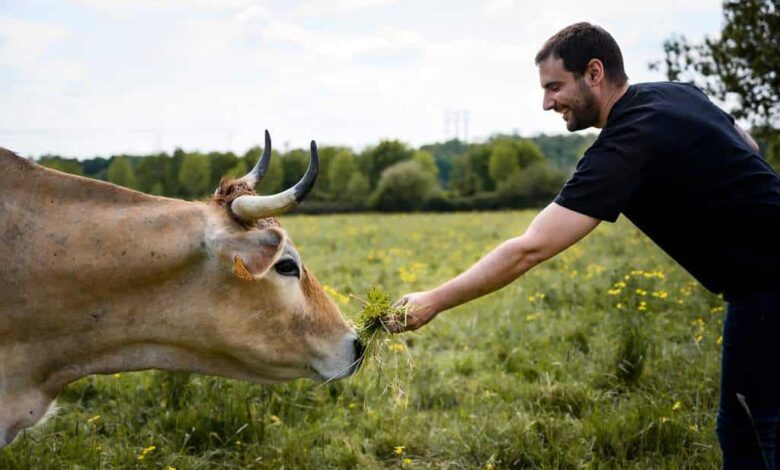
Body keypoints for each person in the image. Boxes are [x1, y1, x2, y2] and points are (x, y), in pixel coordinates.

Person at [390, 22, 780, 468]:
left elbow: (528, 249)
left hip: (767, 283)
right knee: (753, 424)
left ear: (594, 73)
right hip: (758, 282)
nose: (546, 103)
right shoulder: (676, 94)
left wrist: (433, 301)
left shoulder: (625, 145)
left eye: (555, 87)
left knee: (753, 429)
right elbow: (745, 142)